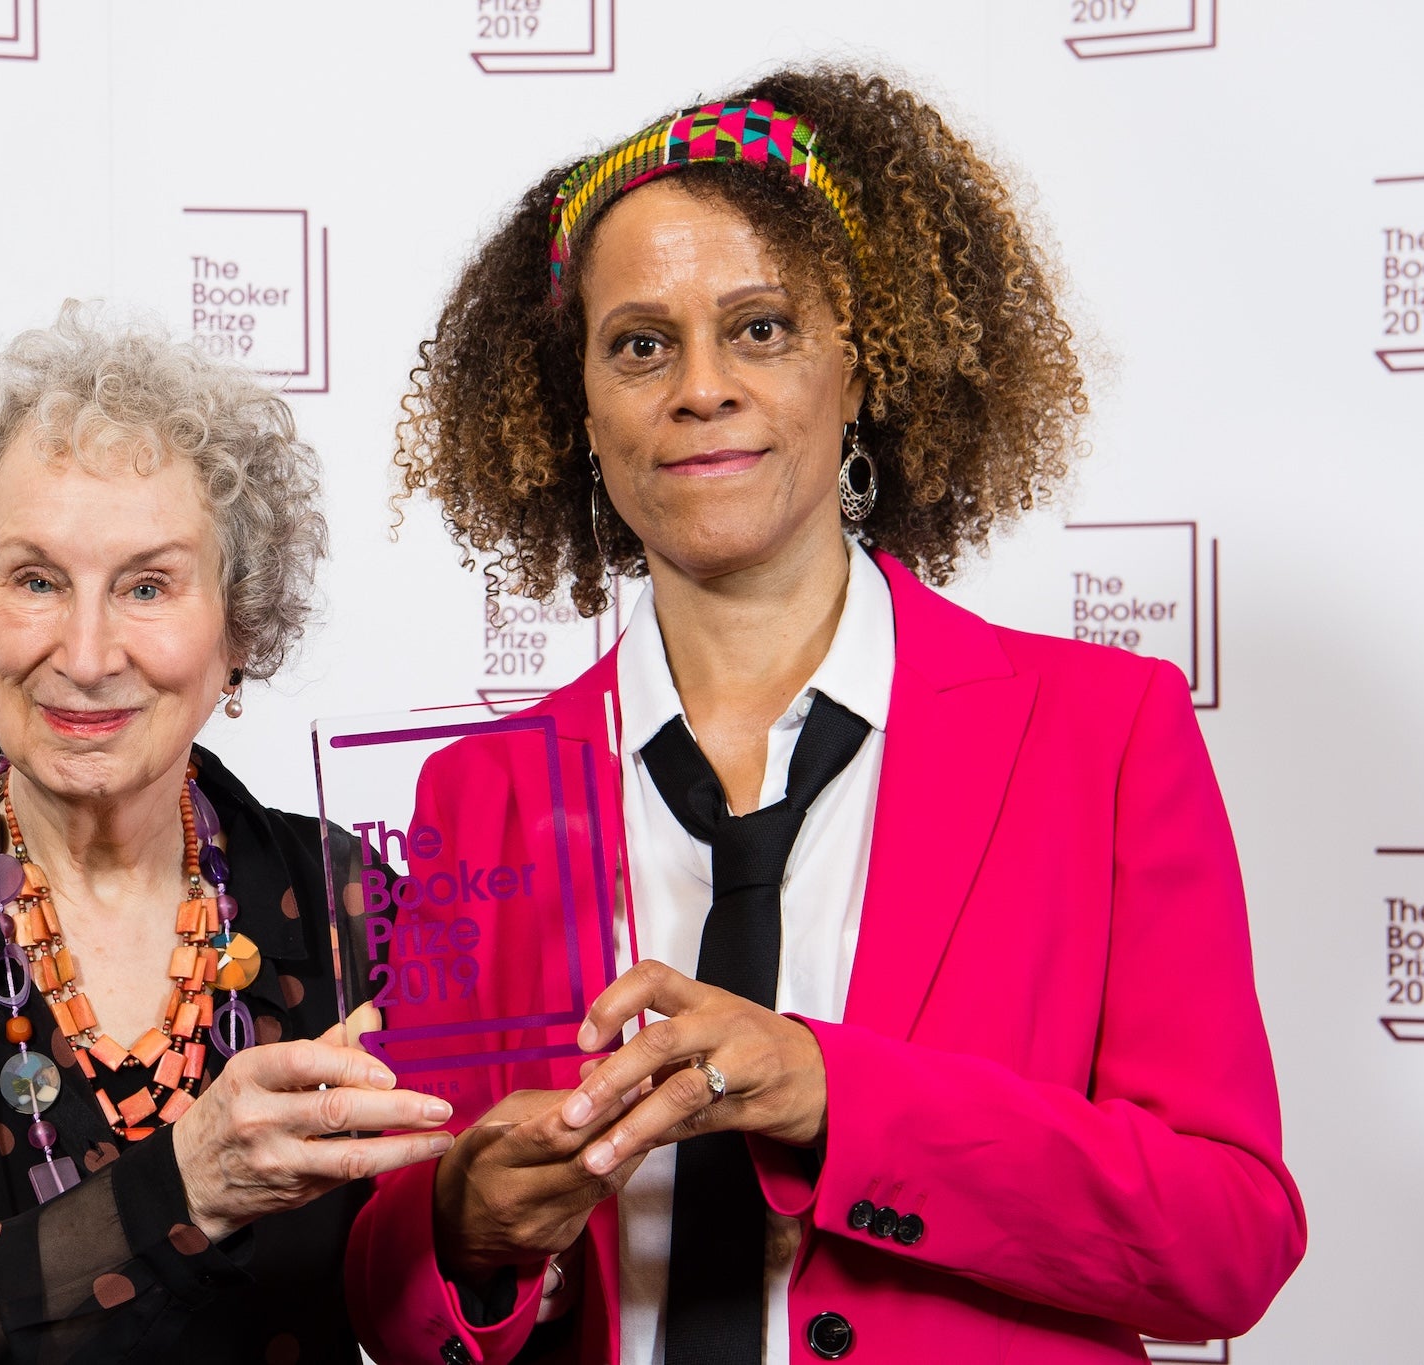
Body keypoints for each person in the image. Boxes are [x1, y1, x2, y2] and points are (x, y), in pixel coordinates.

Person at [348, 65, 1307, 1364]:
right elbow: (393, 1297)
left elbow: (1227, 1243)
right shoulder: (480, 794)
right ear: (576, 407)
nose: (700, 387)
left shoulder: (1104, 734)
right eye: (641, 343)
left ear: (863, 366)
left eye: (760, 328)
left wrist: (829, 1093)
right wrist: (465, 1230)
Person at [0, 304, 453, 1363]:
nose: (84, 649)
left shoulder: (349, 896)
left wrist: (502, 1227)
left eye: (147, 586)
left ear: (238, 627)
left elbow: (417, 1298)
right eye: (35, 581)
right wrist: (184, 1185)